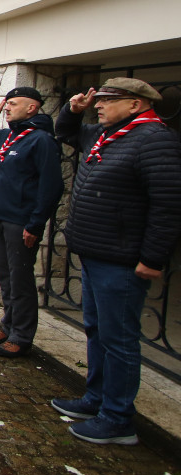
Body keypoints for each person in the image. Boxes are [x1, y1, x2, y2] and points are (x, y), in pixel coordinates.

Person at [51, 77, 181, 445]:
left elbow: (168, 205)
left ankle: (118, 418)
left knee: (119, 339)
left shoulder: (155, 140)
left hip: (122, 261)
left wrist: (152, 258)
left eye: (109, 99)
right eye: (98, 99)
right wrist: (72, 111)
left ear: (137, 104)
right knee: (97, 331)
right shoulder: (107, 134)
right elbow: (67, 133)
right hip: (96, 253)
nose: (100, 105)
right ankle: (95, 399)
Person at [0, 87, 63, 357]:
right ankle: (8, 326)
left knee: (21, 280)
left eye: (13, 103)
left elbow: (51, 187)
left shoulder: (40, 140)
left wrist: (35, 224)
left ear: (32, 108)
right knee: (6, 277)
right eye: (7, 104)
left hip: (20, 221)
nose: (8, 107)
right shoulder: (10, 136)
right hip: (0, 217)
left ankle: (22, 337)